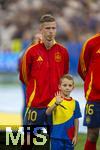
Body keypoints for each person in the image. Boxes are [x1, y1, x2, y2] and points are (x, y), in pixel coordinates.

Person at [19, 14, 69, 148]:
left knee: (58, 142)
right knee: (28, 142)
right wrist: (36, 91)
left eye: (53, 28)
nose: (51, 31)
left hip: (57, 105)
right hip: (37, 105)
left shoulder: (63, 52)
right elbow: (24, 77)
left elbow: (65, 76)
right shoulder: (31, 52)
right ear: (41, 30)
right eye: (47, 28)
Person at [46, 74, 82, 150]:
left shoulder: (75, 103)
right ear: (59, 87)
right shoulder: (56, 99)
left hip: (69, 137)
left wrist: (75, 136)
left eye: (70, 85)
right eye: (64, 85)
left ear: (73, 87)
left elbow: (76, 120)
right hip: (56, 136)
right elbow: (48, 112)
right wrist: (56, 103)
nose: (67, 88)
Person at [78, 33, 100, 150]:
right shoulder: (91, 43)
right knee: (92, 134)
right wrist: (94, 83)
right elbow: (82, 68)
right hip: (95, 98)